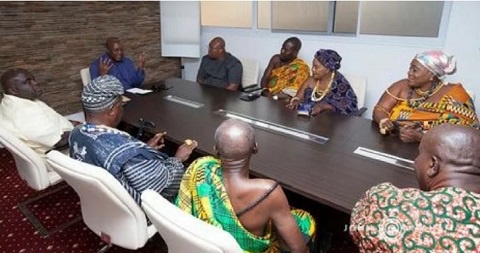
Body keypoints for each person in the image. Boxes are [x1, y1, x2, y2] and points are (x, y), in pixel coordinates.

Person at [175, 119, 316, 253]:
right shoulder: (268, 192)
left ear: (216, 150)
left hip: (207, 244)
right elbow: (298, 249)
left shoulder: (201, 168)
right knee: (305, 220)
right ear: (255, 148)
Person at [350, 123, 480, 252]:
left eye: (419, 155)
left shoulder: (387, 205)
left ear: (433, 165)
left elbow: (360, 226)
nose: (416, 161)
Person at [69, 75, 197, 204]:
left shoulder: (75, 134)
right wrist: (178, 158)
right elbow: (166, 186)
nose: (122, 108)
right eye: (121, 104)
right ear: (112, 110)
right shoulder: (126, 154)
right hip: (145, 211)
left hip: (101, 203)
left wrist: (144, 148)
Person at [373, 50, 478, 143]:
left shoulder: (454, 94)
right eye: (410, 68)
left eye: (415, 70)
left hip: (435, 153)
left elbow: (469, 135)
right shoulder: (401, 86)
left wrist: (421, 137)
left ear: (432, 75)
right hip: (393, 143)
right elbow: (380, 108)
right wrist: (384, 120)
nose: (409, 73)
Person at [0, 68, 75, 156]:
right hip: (58, 155)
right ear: (13, 90)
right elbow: (59, 142)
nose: (35, 83)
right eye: (28, 82)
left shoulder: (13, 102)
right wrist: (79, 132)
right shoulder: (24, 111)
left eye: (33, 79)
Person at [286, 49, 358, 116]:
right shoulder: (310, 80)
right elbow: (297, 97)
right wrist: (295, 101)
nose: (312, 69)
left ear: (327, 69)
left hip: (332, 125)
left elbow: (348, 109)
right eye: (313, 66)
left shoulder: (340, 85)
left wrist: (325, 106)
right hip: (307, 121)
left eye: (316, 67)